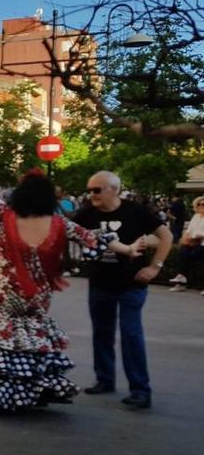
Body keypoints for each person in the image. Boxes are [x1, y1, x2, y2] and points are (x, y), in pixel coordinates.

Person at [0, 170, 143, 412]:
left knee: (3, 339)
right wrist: (128, 249)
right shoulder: (58, 223)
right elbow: (94, 239)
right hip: (38, 293)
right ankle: (31, 391)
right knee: (31, 339)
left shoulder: (5, 216)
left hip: (6, 288)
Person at [73, 171, 172, 410]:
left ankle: (140, 390)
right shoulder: (86, 214)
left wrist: (155, 267)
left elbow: (166, 235)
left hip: (131, 284)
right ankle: (105, 379)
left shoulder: (135, 211)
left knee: (131, 334)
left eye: (97, 190)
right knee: (101, 333)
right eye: (90, 190)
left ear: (114, 189)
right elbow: (69, 232)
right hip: (100, 283)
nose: (92, 195)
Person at [168, 196, 204, 293]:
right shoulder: (196, 217)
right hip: (193, 242)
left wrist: (195, 236)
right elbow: (189, 230)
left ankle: (182, 279)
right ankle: (181, 282)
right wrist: (186, 238)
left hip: (202, 243)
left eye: (203, 204)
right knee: (182, 252)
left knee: (190, 256)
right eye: (199, 204)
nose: (201, 206)